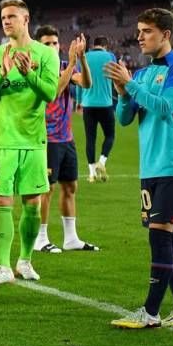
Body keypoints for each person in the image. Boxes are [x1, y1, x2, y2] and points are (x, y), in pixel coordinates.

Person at [104, 8, 173, 328]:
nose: (140, 37)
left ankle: (151, 311)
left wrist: (130, 86)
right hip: (151, 168)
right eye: (139, 31)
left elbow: (164, 107)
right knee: (167, 241)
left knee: (159, 237)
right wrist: (122, 93)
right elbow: (125, 119)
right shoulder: (143, 74)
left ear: (166, 35)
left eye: (147, 31)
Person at [0, 0, 59, 285]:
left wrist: (29, 74)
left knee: (32, 203)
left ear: (26, 19)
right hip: (1, 140)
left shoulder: (45, 54)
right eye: (3, 17)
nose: (6, 21)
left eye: (12, 16)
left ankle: (24, 261)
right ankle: (2, 266)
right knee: (2, 200)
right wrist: (2, 73)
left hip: (33, 141)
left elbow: (50, 93)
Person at [34, 27, 100, 253]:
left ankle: (70, 239)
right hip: (46, 138)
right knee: (47, 189)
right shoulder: (36, 68)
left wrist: (81, 59)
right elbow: (54, 91)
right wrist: (72, 63)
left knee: (70, 186)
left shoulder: (65, 66)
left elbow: (87, 84)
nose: (52, 47)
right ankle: (40, 238)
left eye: (54, 43)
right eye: (47, 43)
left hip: (66, 137)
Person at [80, 36, 117, 182]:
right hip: (106, 104)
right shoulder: (110, 56)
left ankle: (91, 174)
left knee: (90, 139)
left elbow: (79, 79)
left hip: (88, 104)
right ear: (105, 46)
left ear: (94, 45)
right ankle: (101, 162)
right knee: (110, 135)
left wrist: (78, 101)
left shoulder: (84, 57)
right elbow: (116, 77)